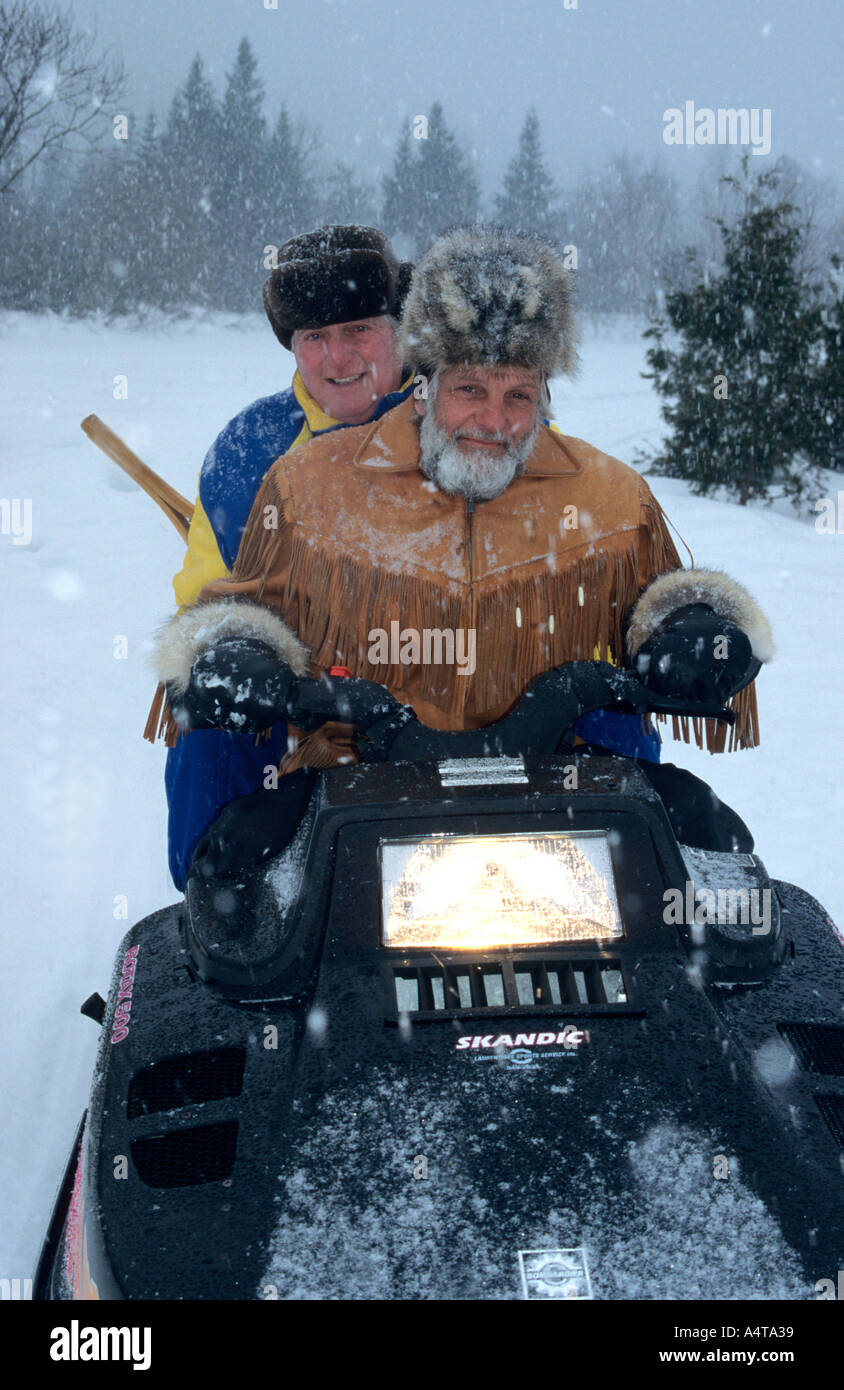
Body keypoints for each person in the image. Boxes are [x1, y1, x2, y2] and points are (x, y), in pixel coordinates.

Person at [152, 226, 773, 881]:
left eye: (518, 396)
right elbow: (249, 603)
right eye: (469, 390)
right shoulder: (308, 483)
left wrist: (692, 625)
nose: (495, 421)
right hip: (354, 774)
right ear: (429, 382)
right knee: (235, 889)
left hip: (560, 772)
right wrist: (238, 649)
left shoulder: (605, 493)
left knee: (719, 890)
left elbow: (653, 592)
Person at [154, 225, 415, 888]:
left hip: (453, 684)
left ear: (400, 326)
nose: (337, 357)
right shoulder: (250, 449)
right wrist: (235, 653)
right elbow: (205, 597)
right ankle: (218, 905)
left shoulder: (473, 414)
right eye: (313, 338)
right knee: (207, 708)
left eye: (358, 329)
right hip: (304, 695)